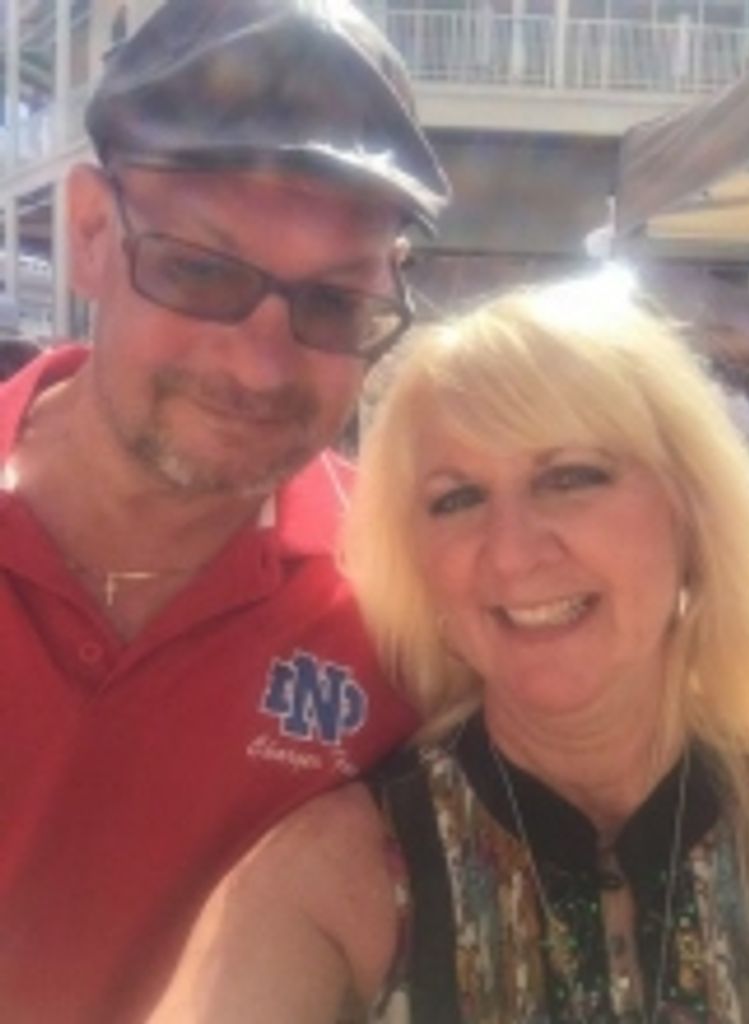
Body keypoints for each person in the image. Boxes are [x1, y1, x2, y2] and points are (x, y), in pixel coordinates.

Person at [149, 276, 749, 1022]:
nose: (511, 554)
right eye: (457, 499)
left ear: (692, 515)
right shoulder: (334, 876)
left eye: (571, 477)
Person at [0, 1, 449, 1021]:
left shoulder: (410, 605)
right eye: (199, 270)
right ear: (90, 232)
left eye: (333, 302)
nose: (259, 366)